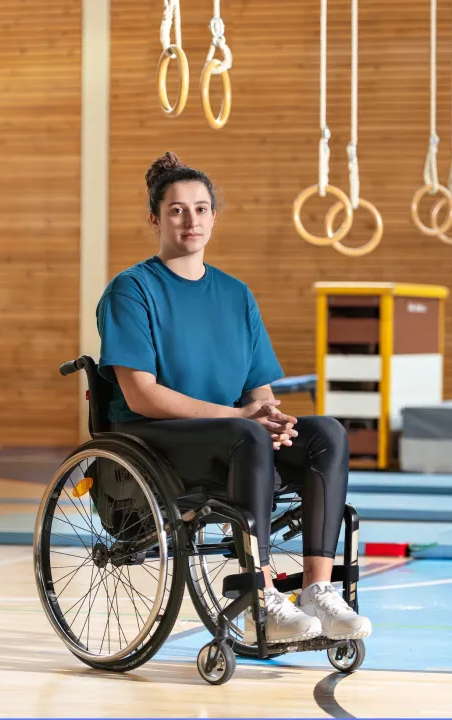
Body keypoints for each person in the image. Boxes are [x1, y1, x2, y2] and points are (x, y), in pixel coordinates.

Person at [96, 151, 372, 645]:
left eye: (201, 209)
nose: (190, 220)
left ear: (214, 217)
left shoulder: (236, 294)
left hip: (233, 432)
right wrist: (243, 417)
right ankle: (259, 599)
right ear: (155, 218)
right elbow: (141, 395)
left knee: (325, 432)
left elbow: (257, 386)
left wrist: (270, 415)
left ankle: (317, 589)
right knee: (246, 432)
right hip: (161, 439)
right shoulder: (131, 291)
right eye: (177, 210)